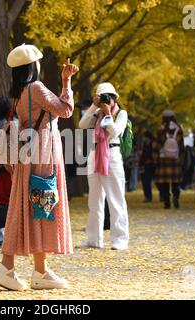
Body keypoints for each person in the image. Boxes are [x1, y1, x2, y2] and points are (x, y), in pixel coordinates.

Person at [0, 44, 79, 291]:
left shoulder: (19, 94)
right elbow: (65, 109)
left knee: (26, 207)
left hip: (28, 154)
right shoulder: (36, 88)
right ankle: (39, 272)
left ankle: (9, 267)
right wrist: (66, 83)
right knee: (43, 203)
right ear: (33, 66)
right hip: (43, 151)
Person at [78, 82, 129, 250]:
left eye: (109, 97)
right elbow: (82, 124)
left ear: (115, 98)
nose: (107, 100)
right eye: (102, 98)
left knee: (115, 199)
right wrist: (94, 106)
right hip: (94, 155)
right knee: (94, 201)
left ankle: (119, 240)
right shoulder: (96, 112)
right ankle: (94, 240)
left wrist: (108, 115)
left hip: (112, 155)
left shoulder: (121, 113)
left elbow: (115, 133)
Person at [153, 110, 185, 209]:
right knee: (176, 182)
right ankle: (176, 196)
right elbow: (182, 146)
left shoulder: (161, 130)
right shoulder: (178, 129)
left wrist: (155, 158)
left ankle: (167, 201)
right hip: (176, 159)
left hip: (163, 160)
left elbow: (156, 146)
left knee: (164, 182)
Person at [139, 131, 156, 202]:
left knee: (157, 181)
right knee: (145, 181)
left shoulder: (153, 144)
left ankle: (163, 195)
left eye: (144, 137)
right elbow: (142, 155)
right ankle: (148, 196)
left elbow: (154, 153)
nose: (143, 138)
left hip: (152, 164)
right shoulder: (144, 144)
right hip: (145, 165)